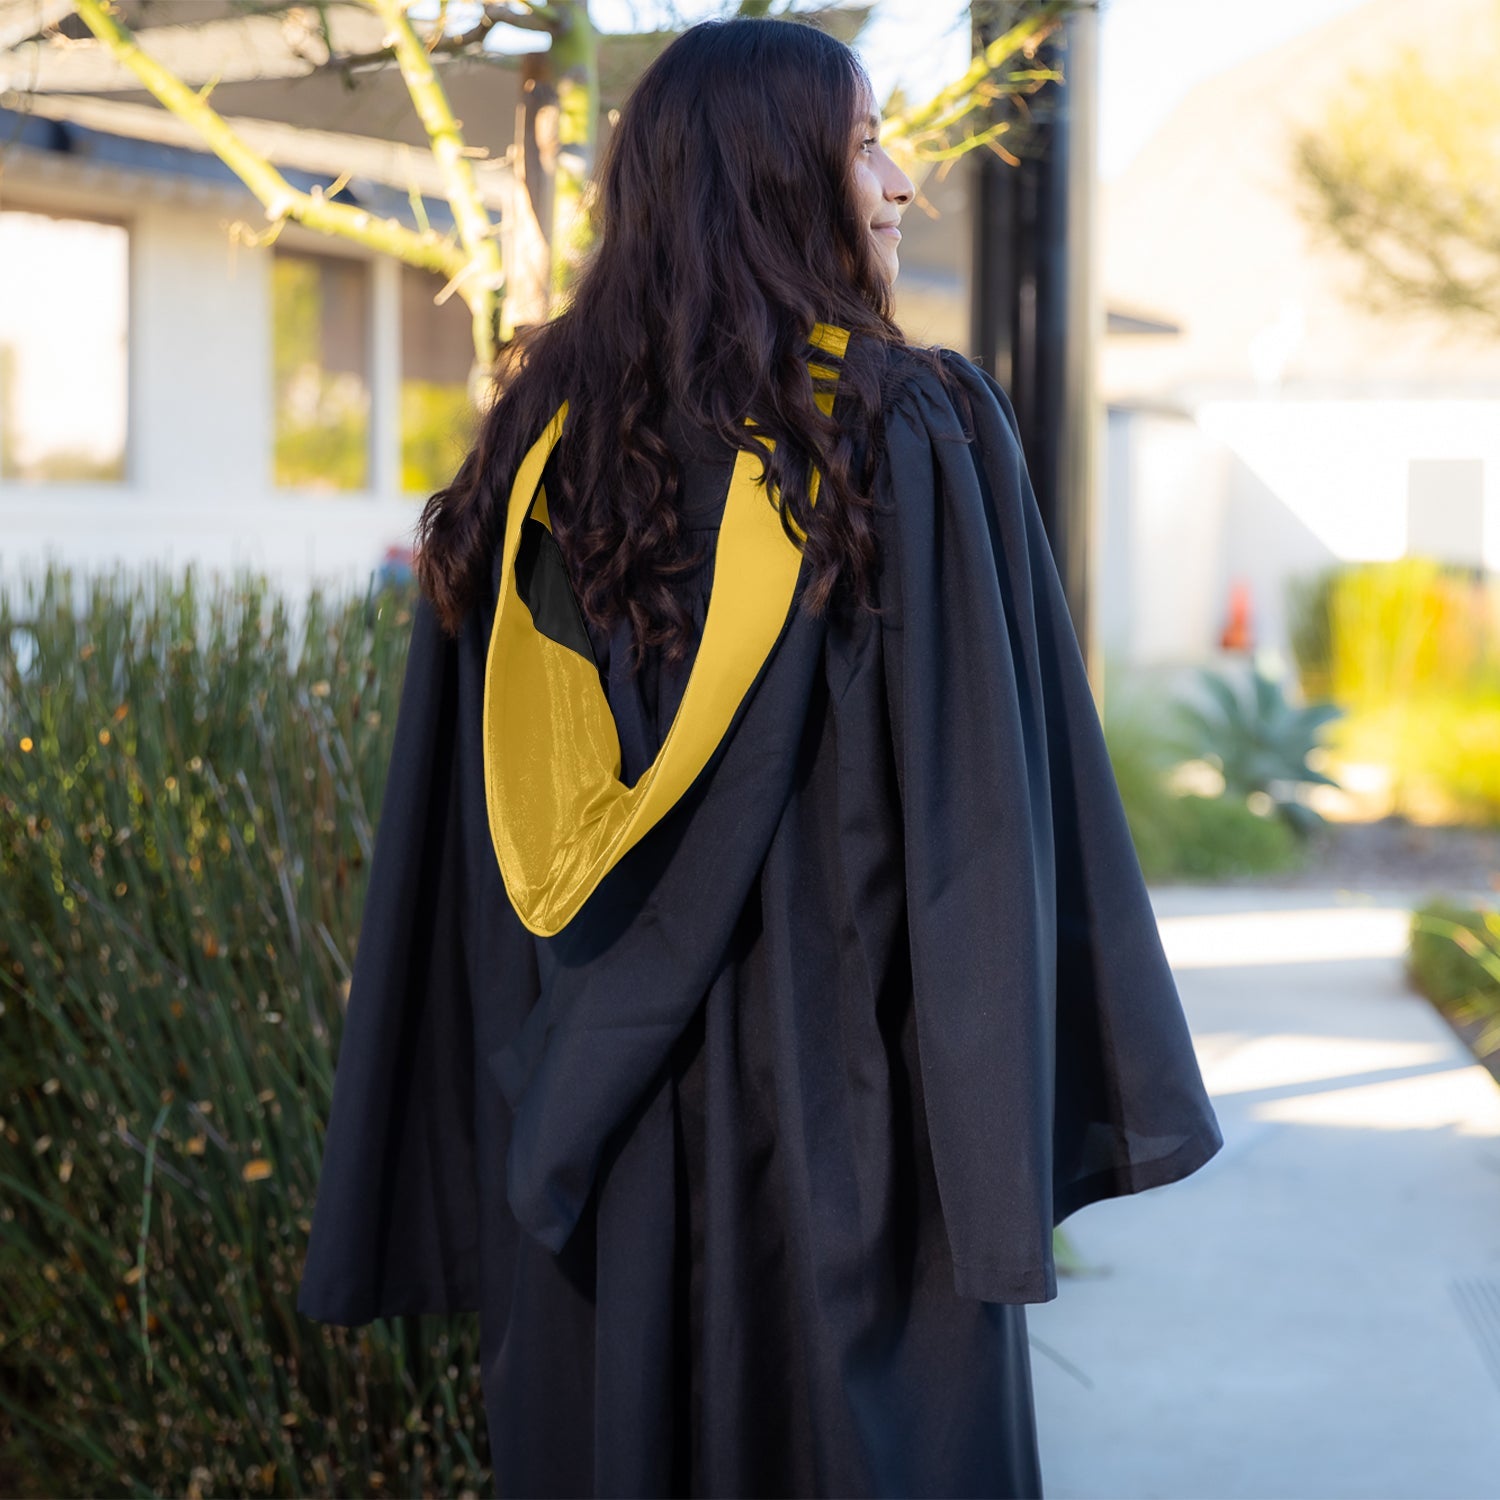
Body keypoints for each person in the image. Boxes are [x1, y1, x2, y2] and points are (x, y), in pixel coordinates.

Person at [296, 16, 1224, 1500]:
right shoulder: (903, 431)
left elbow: (473, 871)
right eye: (864, 143)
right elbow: (984, 832)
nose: (902, 182)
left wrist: (511, 1128)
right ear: (772, 180)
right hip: (844, 1154)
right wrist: (993, 1178)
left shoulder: (532, 459)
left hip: (586, 1150)